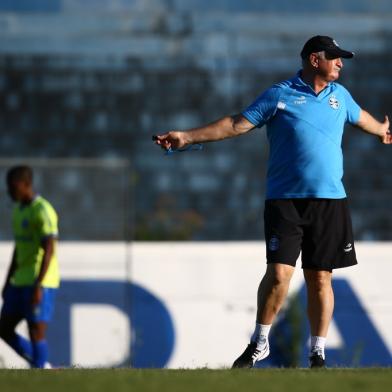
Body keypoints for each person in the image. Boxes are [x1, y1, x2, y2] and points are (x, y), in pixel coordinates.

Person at [153, 35, 391, 368]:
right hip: (285, 202)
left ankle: (317, 352)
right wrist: (187, 137)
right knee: (279, 275)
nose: (340, 62)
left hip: (330, 202)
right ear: (313, 60)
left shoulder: (341, 96)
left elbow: (360, 116)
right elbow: (236, 124)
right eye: (334, 57)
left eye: (341, 58)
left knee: (320, 277)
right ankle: (260, 342)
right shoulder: (280, 95)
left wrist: (381, 129)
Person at [0, 165, 60, 368]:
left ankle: (40, 370)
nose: (9, 192)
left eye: (12, 187)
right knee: (4, 327)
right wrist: (8, 281)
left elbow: (49, 249)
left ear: (25, 184)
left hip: (40, 280)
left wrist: (38, 285)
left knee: (35, 330)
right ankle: (40, 364)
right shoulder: (18, 211)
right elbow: (18, 250)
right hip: (20, 280)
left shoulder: (42, 210)